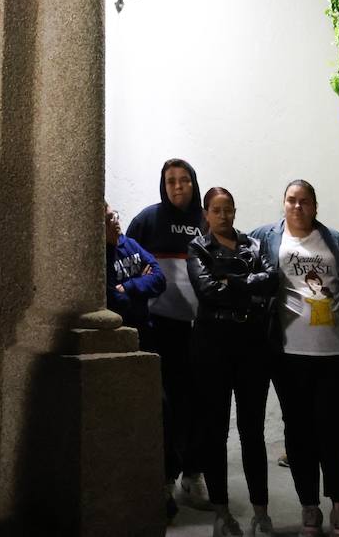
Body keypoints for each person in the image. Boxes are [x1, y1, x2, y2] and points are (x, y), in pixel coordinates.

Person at [251, 180, 339, 537]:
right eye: (291, 201)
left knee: (333, 430)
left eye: (305, 201)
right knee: (298, 432)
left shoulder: (335, 241)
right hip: (288, 354)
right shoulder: (266, 239)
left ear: (315, 206)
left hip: (335, 351)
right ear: (283, 205)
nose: (298, 207)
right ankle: (309, 507)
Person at [188, 187, 277, 537]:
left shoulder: (253, 245)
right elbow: (207, 290)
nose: (224, 216)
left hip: (252, 343)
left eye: (229, 210)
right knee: (216, 430)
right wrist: (248, 288)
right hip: (212, 345)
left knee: (252, 430)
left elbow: (271, 281)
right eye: (217, 210)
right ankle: (222, 513)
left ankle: (261, 512)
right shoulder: (197, 247)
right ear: (206, 214)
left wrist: (233, 281)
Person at [127, 158, 209, 517]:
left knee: (199, 404)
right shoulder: (147, 220)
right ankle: (163, 479)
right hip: (160, 330)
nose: (178, 186)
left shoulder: (206, 221)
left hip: (201, 331)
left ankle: (193, 474)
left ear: (194, 183)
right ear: (164, 185)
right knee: (167, 408)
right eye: (171, 181)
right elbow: (125, 261)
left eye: (184, 180)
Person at [106, 203, 166, 349]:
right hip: (119, 335)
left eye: (114, 215)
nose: (115, 221)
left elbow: (160, 279)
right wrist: (143, 285)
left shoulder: (131, 244)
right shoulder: (101, 258)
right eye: (108, 220)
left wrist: (129, 286)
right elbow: (117, 301)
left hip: (145, 330)